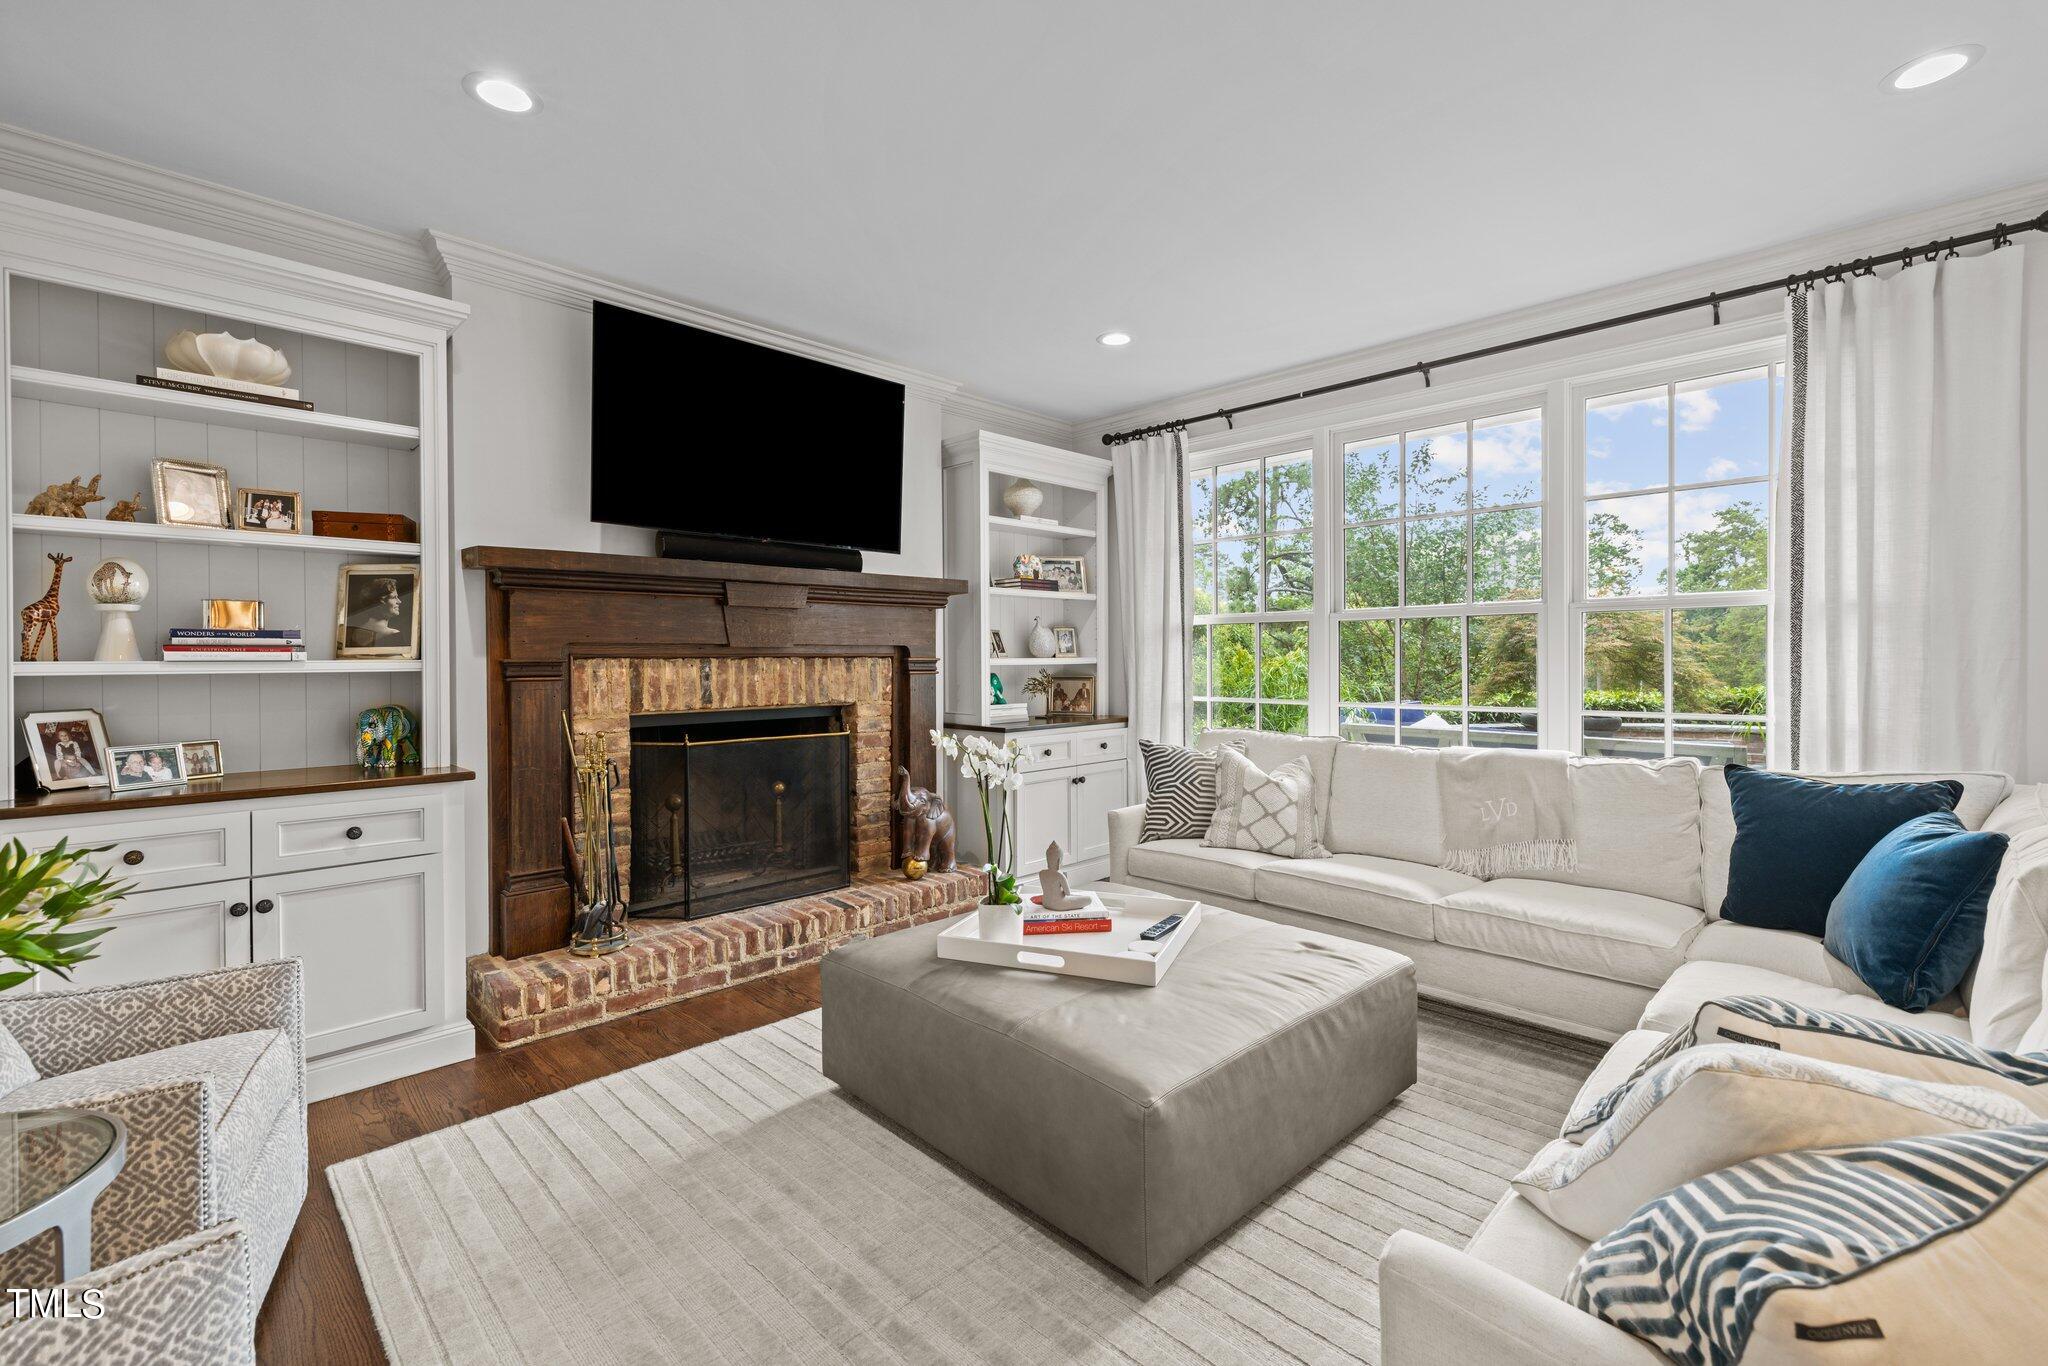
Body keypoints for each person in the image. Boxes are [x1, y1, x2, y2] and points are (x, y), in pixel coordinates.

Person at [346, 576, 410, 648]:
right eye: (393, 597)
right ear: (379, 603)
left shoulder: (353, 633)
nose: (399, 601)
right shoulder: (393, 634)